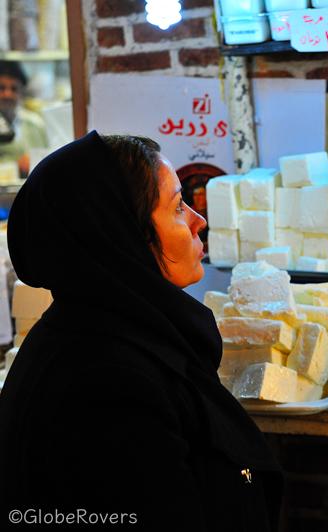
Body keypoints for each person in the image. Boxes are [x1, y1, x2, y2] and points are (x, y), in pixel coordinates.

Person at [0, 132, 282, 530]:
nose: (198, 221)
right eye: (177, 206)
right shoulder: (107, 383)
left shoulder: (121, 334)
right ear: (122, 235)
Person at [0, 60, 48, 177]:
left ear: (21, 92)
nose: (8, 94)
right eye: (2, 88)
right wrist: (17, 167)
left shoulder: (35, 124)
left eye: (14, 89)